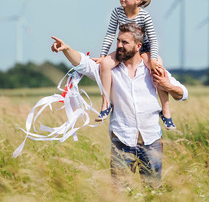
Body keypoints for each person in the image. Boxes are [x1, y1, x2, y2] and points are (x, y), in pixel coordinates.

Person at [50, 22, 189, 187]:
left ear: (138, 46)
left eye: (125, 42)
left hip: (152, 141)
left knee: (153, 191)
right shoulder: (108, 70)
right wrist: (66, 48)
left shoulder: (152, 69)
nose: (119, 46)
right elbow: (84, 63)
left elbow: (183, 94)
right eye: (118, 41)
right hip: (121, 140)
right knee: (120, 193)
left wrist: (168, 86)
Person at [94, 0, 176, 131]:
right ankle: (106, 103)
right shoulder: (117, 12)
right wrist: (102, 55)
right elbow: (110, 34)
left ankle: (166, 112)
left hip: (143, 49)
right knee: (105, 64)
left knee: (158, 68)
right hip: (124, 48)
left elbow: (153, 39)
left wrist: (153, 59)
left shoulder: (144, 15)